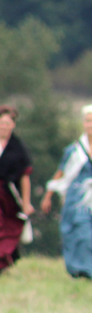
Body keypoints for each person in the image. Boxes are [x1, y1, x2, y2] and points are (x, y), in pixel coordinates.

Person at [41, 104, 92, 281]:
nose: (90, 124)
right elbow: (61, 172)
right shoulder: (73, 149)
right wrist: (48, 194)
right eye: (87, 121)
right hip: (78, 199)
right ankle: (87, 274)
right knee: (83, 238)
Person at [0, 105, 33, 274]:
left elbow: (24, 176)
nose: (4, 127)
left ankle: (5, 258)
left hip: (8, 196)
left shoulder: (18, 148)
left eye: (7, 123)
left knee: (8, 228)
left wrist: (26, 203)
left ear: (13, 125)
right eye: (1, 123)